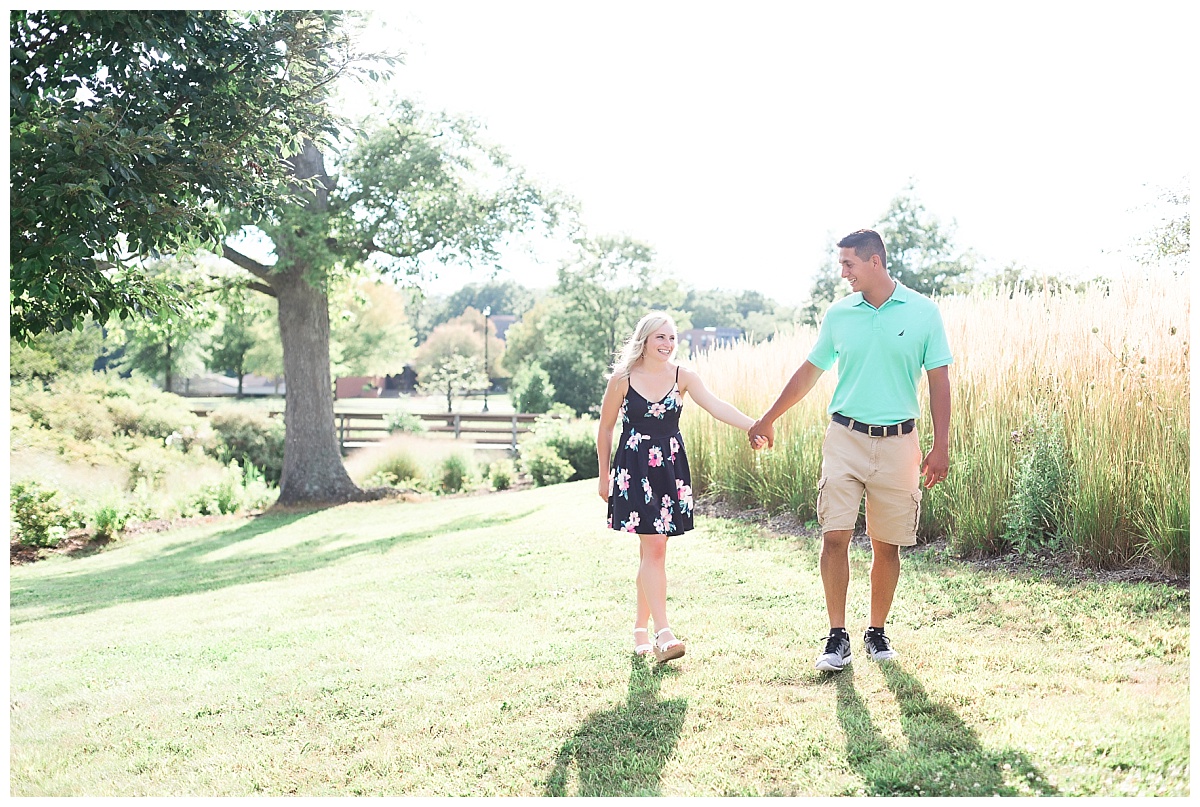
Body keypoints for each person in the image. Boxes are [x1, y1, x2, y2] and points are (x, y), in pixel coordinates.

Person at [749, 229, 952, 672]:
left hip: (900, 443)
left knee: (887, 545)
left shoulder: (923, 312)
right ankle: (836, 636)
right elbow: (809, 372)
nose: (842, 273)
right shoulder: (839, 314)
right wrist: (768, 417)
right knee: (834, 535)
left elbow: (939, 380)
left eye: (848, 264)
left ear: (874, 262)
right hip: (845, 438)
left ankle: (876, 632)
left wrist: (941, 445)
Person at [598, 311, 764, 662]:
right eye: (661, 337)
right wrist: (603, 476)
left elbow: (716, 406)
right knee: (655, 548)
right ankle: (664, 634)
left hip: (669, 468)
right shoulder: (622, 379)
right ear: (644, 340)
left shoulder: (683, 376)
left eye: (672, 337)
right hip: (634, 469)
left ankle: (640, 630)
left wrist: (755, 425)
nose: (668, 343)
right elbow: (606, 428)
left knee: (652, 551)